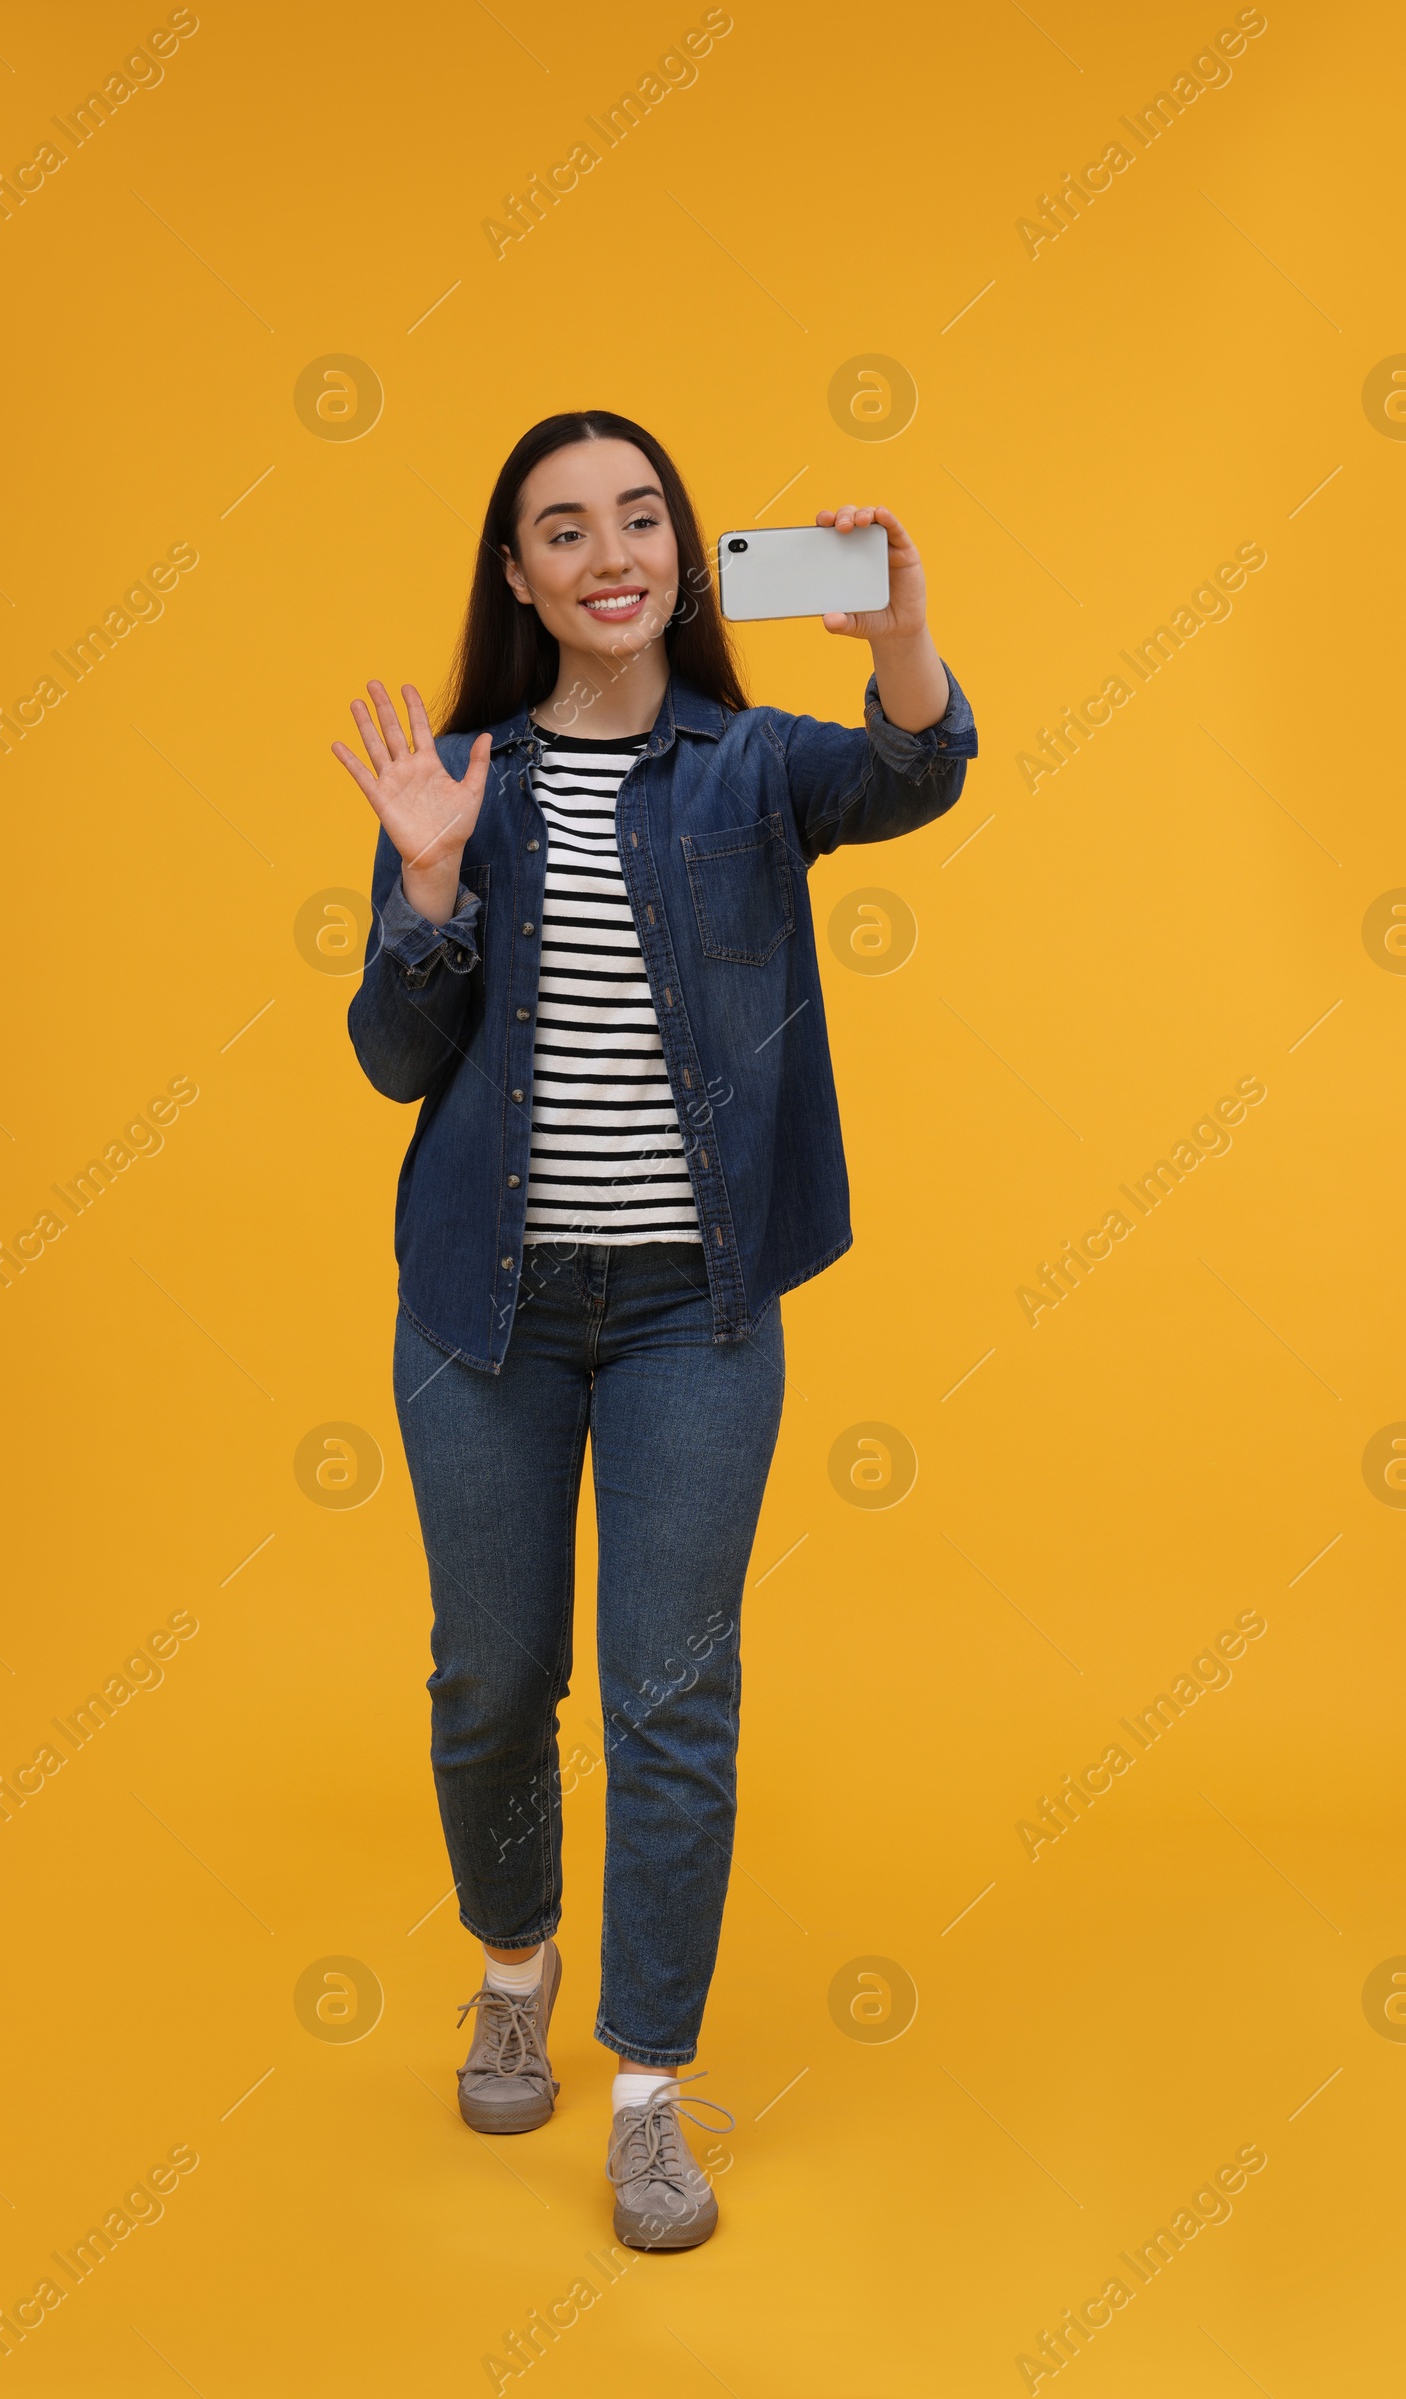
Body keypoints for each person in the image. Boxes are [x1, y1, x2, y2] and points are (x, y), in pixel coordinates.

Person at [336, 409, 976, 2249]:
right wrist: (433, 886)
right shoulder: (456, 779)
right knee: (488, 1682)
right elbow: (393, 1064)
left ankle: (643, 2091)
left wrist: (901, 633)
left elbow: (921, 772)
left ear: (683, 560)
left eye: (641, 518)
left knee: (673, 1704)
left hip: (699, 1315)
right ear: (521, 578)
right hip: (490, 1318)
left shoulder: (757, 768)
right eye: (563, 528)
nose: (608, 550)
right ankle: (515, 1961)